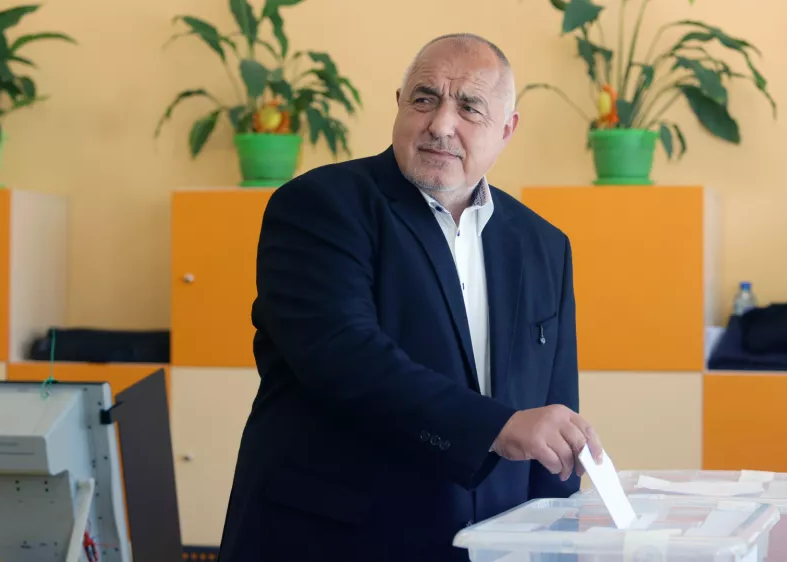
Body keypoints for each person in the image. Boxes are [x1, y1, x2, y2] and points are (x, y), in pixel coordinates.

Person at [218, 33, 604, 562]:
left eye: (470, 107)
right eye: (425, 98)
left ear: (507, 129)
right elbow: (345, 357)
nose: (441, 124)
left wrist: (557, 546)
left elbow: (551, 426)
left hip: (485, 547)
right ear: (399, 104)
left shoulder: (542, 245)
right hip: (333, 541)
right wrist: (498, 426)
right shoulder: (320, 206)